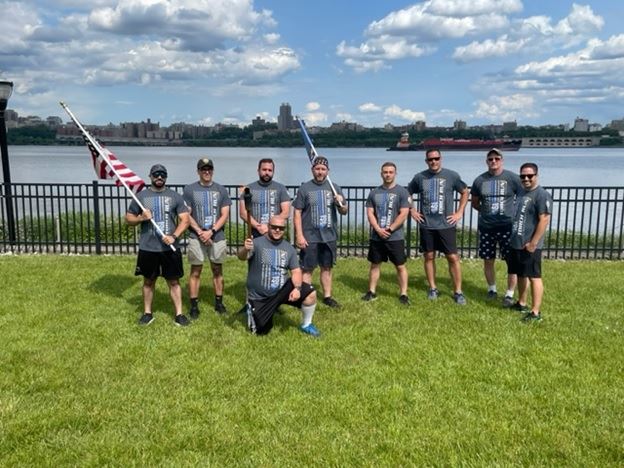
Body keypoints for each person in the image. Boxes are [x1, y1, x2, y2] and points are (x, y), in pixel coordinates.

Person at [125, 164, 191, 326]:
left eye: (162, 174)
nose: (159, 177)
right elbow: (128, 219)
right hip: (148, 248)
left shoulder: (175, 196)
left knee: (174, 281)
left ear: (166, 177)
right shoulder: (141, 197)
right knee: (148, 281)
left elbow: (185, 220)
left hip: (169, 248)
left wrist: (174, 236)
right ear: (150, 176)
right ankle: (147, 313)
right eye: (156, 175)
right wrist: (141, 218)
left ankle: (179, 315)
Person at [237, 216, 320, 337]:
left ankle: (306, 324)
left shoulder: (288, 248)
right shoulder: (257, 243)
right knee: (259, 332)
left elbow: (296, 271)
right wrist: (245, 249)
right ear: (268, 227)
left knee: (310, 294)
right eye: (274, 227)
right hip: (260, 297)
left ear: (284, 229)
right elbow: (241, 257)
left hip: (281, 291)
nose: (277, 230)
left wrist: (297, 289)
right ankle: (252, 308)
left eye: (281, 228)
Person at [407, 149, 469, 304]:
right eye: (430, 159)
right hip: (427, 225)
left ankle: (458, 291)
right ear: (426, 161)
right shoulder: (420, 177)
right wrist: (412, 210)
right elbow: (407, 193)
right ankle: (433, 288)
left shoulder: (451, 176)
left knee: (453, 257)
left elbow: (465, 192)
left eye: (436, 158)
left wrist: (459, 212)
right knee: (429, 256)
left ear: (441, 159)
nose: (433, 161)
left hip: (446, 224)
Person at [293, 156, 348, 308]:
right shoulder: (305, 188)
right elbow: (297, 212)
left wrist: (341, 203)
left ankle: (327, 297)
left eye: (323, 169)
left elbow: (344, 211)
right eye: (317, 169)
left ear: (327, 171)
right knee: (307, 268)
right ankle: (305, 296)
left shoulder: (334, 187)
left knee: (327, 267)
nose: (320, 172)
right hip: (310, 236)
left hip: (329, 236)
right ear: (312, 170)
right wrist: (299, 234)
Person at [470, 148, 523, 306]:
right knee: (488, 260)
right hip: (487, 227)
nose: (494, 161)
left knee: (511, 261)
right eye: (491, 159)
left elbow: (522, 197)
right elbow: (475, 202)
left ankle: (509, 293)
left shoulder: (512, 178)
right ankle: (492, 289)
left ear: (502, 160)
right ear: (487, 161)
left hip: (507, 227)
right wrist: (487, 212)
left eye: (497, 158)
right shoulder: (480, 180)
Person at [183, 157, 231, 318]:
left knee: (217, 269)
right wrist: (199, 231)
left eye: (209, 168)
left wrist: (211, 231)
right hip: (196, 235)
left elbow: (225, 214)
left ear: (213, 170)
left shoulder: (221, 190)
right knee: (196, 270)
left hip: (217, 235)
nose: (206, 171)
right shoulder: (189, 190)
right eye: (203, 169)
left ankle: (219, 303)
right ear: (198, 171)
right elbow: (186, 214)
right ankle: (194, 305)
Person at [508, 163, 553, 322]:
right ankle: (521, 302)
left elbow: (544, 219)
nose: (526, 179)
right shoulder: (521, 192)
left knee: (534, 276)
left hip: (530, 245)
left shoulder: (541, 195)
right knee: (521, 274)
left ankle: (535, 312)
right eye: (523, 176)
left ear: (536, 176)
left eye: (529, 176)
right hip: (517, 242)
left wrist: (534, 243)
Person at [362, 162, 411, 304]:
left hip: (395, 237)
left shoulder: (402, 192)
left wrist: (390, 229)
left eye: (390, 172)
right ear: (381, 174)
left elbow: (404, 214)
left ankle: (403, 294)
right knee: (375, 264)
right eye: (385, 172)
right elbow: (370, 213)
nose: (388, 174)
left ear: (395, 173)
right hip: (377, 237)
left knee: (400, 266)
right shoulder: (374, 193)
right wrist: (378, 229)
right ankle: (371, 291)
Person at [239, 158, 291, 238]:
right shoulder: (248, 189)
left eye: (270, 170)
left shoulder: (281, 188)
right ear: (258, 171)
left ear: (273, 172)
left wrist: (269, 226)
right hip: (255, 232)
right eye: (264, 170)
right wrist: (258, 226)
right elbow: (243, 213)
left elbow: (286, 212)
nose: (267, 173)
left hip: (275, 232)